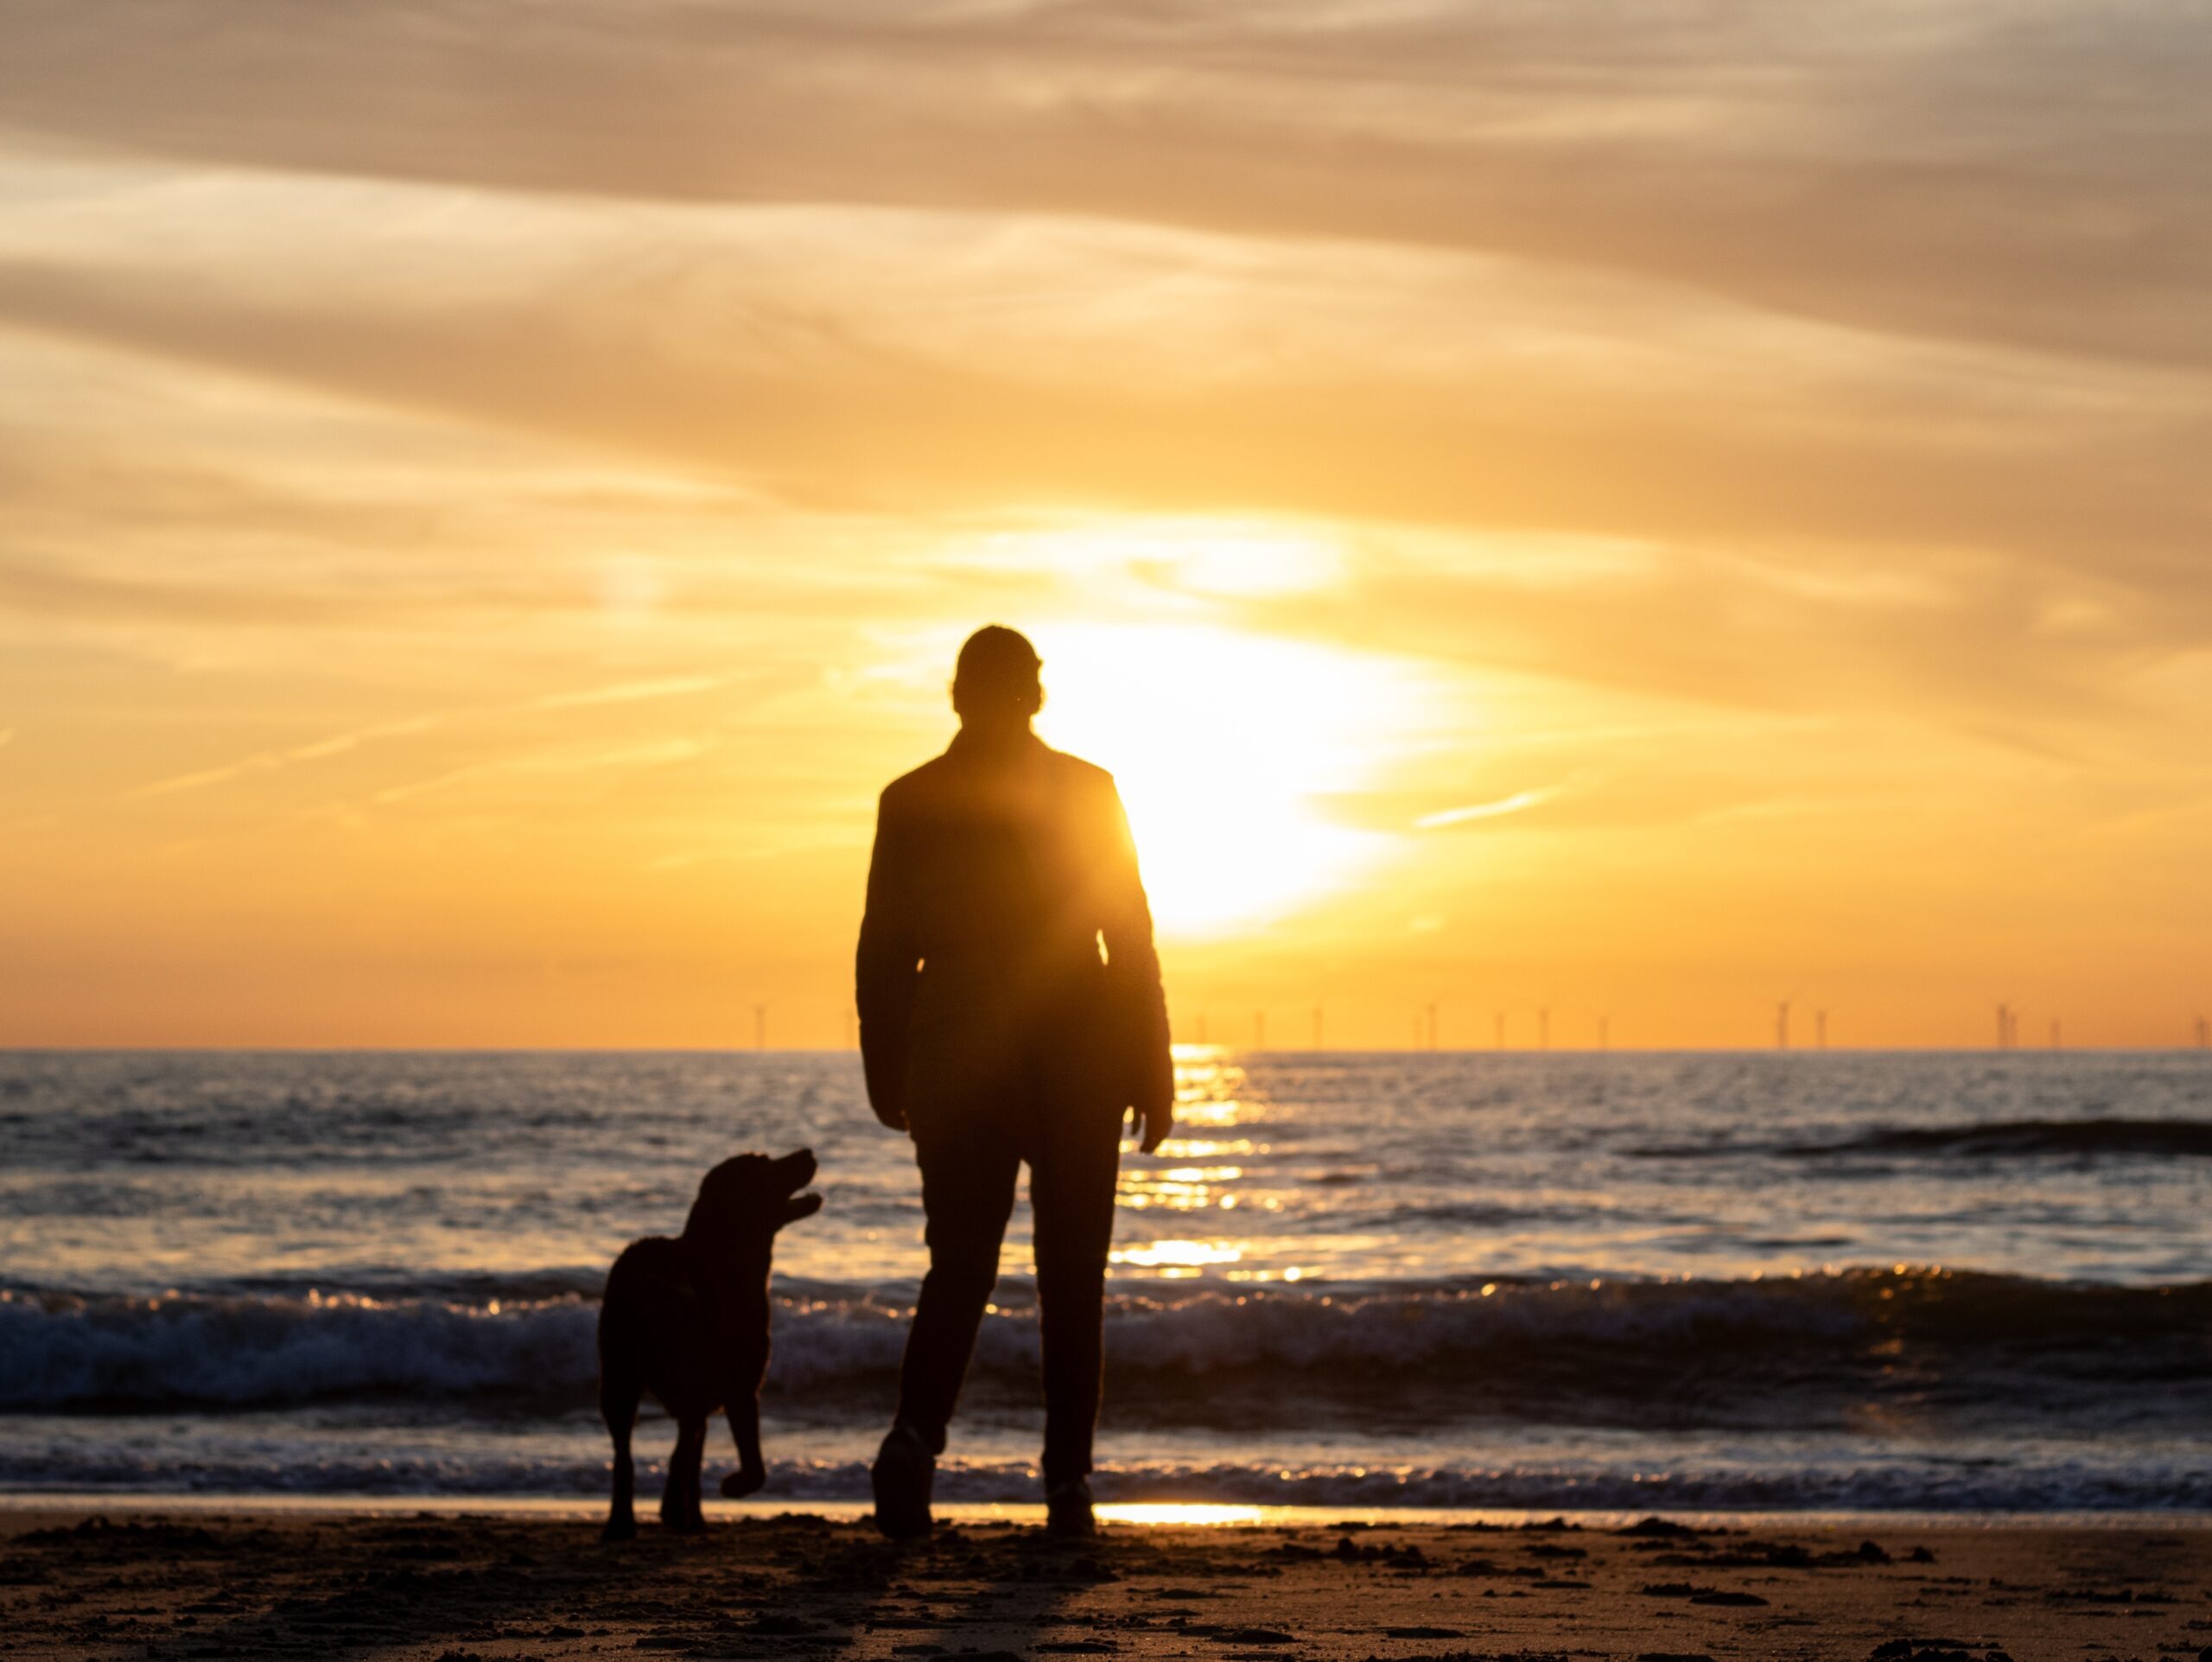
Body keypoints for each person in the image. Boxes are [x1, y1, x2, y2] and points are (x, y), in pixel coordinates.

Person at [855, 625, 1174, 1539]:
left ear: (957, 695)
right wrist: (1153, 1063)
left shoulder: (911, 798)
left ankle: (914, 1442)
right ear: (1035, 695)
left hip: (957, 1045)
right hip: (1076, 1045)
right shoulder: (1086, 788)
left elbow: (883, 951)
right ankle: (1068, 1484)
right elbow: (1130, 934)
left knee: (958, 1266)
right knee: (1072, 1276)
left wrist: (888, 1065)